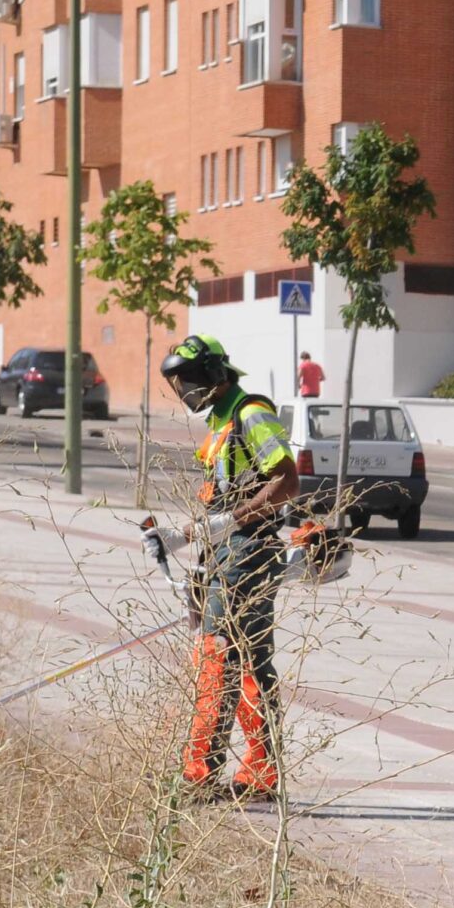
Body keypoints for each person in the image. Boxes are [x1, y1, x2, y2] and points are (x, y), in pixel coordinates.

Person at [160, 333, 299, 801]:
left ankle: (200, 776)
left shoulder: (250, 413)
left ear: (212, 376)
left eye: (187, 384)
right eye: (178, 387)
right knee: (252, 666)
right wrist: (182, 535)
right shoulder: (220, 420)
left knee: (217, 660)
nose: (185, 394)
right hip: (227, 551)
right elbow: (220, 496)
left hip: (248, 553)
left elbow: (288, 480)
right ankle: (260, 775)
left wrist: (233, 521)